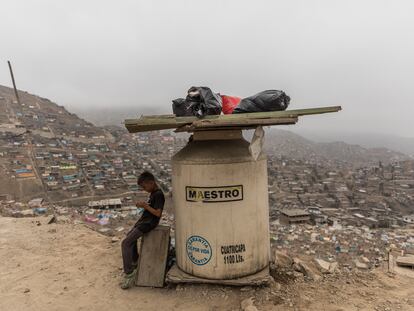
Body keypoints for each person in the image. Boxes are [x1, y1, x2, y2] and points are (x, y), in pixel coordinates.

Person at [120, 171, 165, 289]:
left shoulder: (159, 194)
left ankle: (129, 273)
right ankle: (135, 262)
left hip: (148, 224)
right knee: (130, 237)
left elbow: (158, 213)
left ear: (151, 182)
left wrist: (145, 206)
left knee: (125, 243)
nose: (144, 189)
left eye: (144, 186)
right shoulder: (153, 193)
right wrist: (144, 205)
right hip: (143, 222)